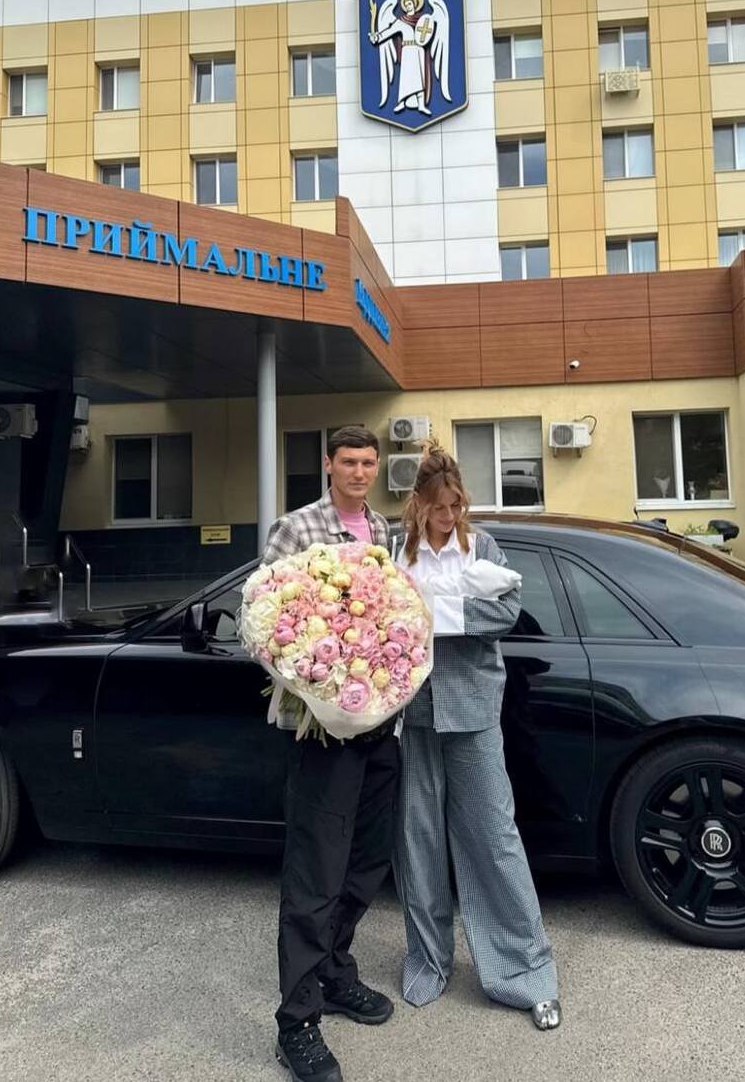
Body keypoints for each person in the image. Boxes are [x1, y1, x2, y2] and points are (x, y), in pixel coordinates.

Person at [393, 444, 562, 1030]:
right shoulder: (397, 550)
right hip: (412, 710)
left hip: (473, 708)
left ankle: (524, 970)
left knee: (494, 836)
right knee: (417, 839)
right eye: (439, 507)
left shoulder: (481, 546)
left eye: (456, 505)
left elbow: (507, 612)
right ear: (419, 504)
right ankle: (427, 960)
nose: (449, 516)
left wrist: (435, 614)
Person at [263, 426, 397, 1082]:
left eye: (369, 462)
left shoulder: (385, 530)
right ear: (328, 464)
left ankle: (336, 972)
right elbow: (267, 625)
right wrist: (321, 677)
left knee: (367, 861)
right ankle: (297, 1021)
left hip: (380, 725)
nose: (359, 471)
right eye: (349, 461)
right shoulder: (295, 530)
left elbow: (397, 615)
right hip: (321, 730)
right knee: (315, 874)